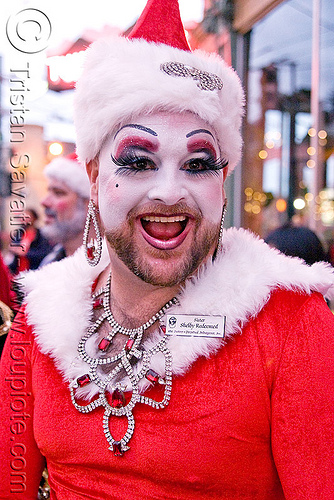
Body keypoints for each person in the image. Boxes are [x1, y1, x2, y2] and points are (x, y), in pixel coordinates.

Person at [1, 0, 334, 498]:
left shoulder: (289, 320)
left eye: (198, 164)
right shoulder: (41, 321)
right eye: (138, 161)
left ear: (223, 180)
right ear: (94, 176)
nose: (170, 192)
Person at [39, 154, 90, 265]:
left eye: (58, 193)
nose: (44, 202)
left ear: (89, 204)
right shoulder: (49, 263)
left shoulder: (110, 274)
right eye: (49, 192)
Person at [7, 208, 53, 274]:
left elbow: (45, 252)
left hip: (34, 271)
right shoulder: (19, 234)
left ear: (34, 218)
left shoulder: (41, 235)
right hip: (18, 272)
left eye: (27, 216)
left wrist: (26, 253)